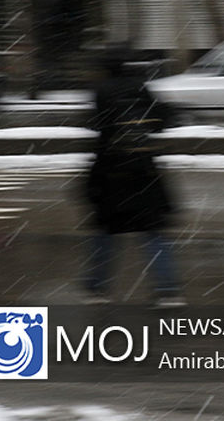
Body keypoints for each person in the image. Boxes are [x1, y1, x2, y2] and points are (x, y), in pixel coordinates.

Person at [82, 47, 183, 308]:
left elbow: (98, 128)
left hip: (112, 171)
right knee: (153, 233)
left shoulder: (101, 90)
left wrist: (89, 182)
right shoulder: (140, 87)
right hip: (143, 172)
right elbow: (163, 119)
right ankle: (168, 290)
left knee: (105, 233)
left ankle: (97, 288)